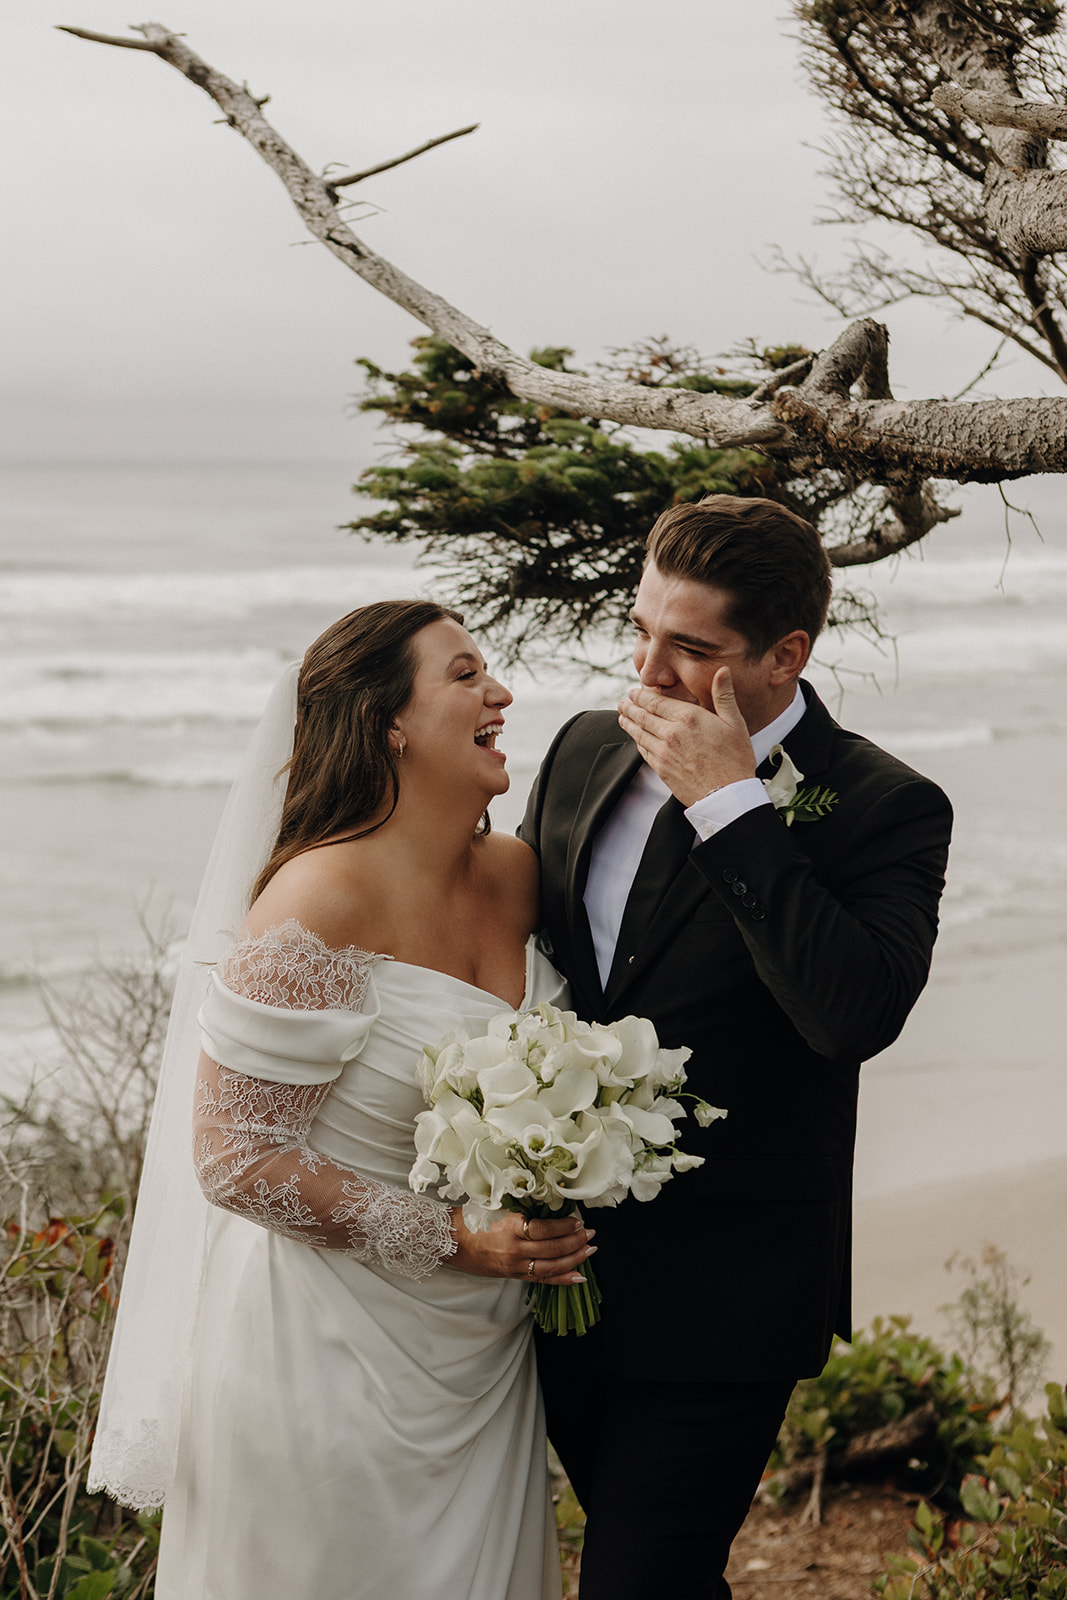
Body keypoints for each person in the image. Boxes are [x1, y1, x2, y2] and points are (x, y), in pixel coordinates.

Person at [89, 600, 595, 1600]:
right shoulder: (318, 900)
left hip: (479, 1364)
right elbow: (233, 1159)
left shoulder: (516, 875)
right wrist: (461, 1237)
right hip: (319, 1363)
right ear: (386, 723)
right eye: (462, 674)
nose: (499, 691)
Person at [519, 495, 953, 1599]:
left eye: (689, 647)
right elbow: (522, 962)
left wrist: (730, 807)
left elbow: (850, 1014)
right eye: (640, 629)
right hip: (556, 1277)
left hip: (728, 1296)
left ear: (783, 654)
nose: (646, 669)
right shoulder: (580, 751)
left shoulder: (884, 805)